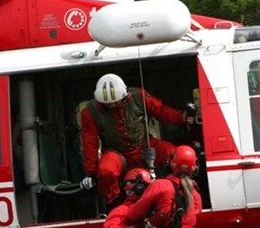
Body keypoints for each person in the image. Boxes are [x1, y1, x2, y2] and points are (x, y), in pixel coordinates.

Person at [80, 73, 193, 210]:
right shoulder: (90, 112)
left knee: (174, 154)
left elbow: (160, 111)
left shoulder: (139, 96)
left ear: (125, 95)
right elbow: (90, 142)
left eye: (116, 101)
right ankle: (115, 204)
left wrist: (181, 118)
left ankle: (181, 194)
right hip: (117, 153)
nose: (113, 105)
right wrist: (92, 173)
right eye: (108, 104)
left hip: (144, 146)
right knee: (106, 172)